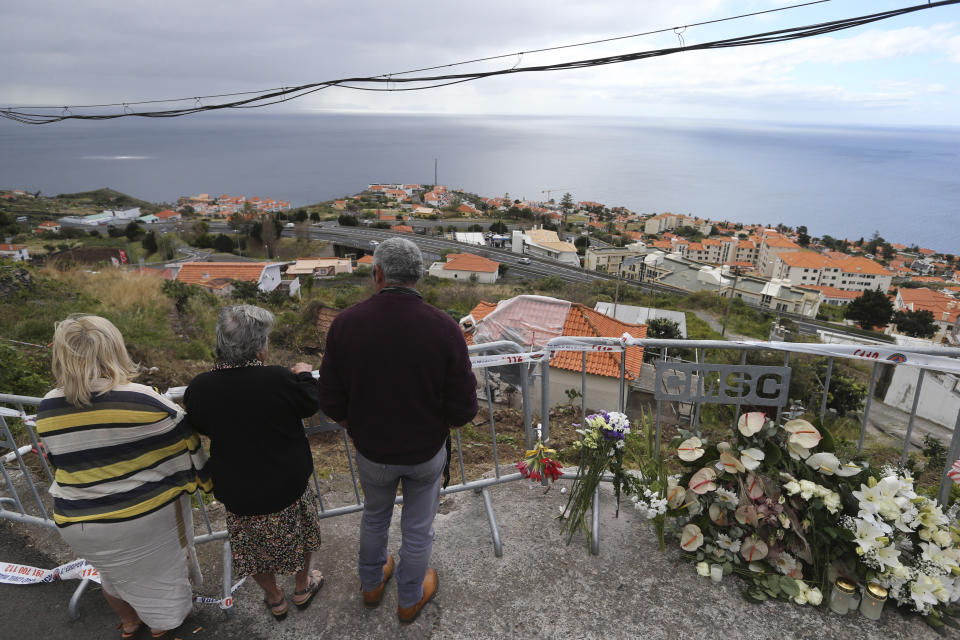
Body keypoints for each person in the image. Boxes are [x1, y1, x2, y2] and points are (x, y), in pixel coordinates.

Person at [318, 237, 477, 623]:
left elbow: (331, 399)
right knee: (418, 528)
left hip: (373, 450)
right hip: (425, 453)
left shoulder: (345, 324)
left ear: (378, 274)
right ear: (418, 277)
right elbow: (463, 409)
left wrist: (354, 425)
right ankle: (409, 599)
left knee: (375, 516)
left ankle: (371, 585)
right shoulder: (444, 328)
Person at [36, 314, 211, 639]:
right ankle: (164, 625)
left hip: (78, 521)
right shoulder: (142, 399)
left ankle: (130, 623)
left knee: (113, 576)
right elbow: (187, 443)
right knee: (162, 578)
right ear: (113, 349)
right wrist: (205, 482)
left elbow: (59, 457)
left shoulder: (47, 406)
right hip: (139, 519)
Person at [184, 304, 323, 621]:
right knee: (300, 536)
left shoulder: (200, 388)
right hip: (287, 483)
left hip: (238, 490)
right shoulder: (277, 379)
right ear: (259, 347)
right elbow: (309, 402)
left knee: (252, 550)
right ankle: (302, 587)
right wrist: (303, 374)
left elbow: (202, 425)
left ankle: (275, 598)